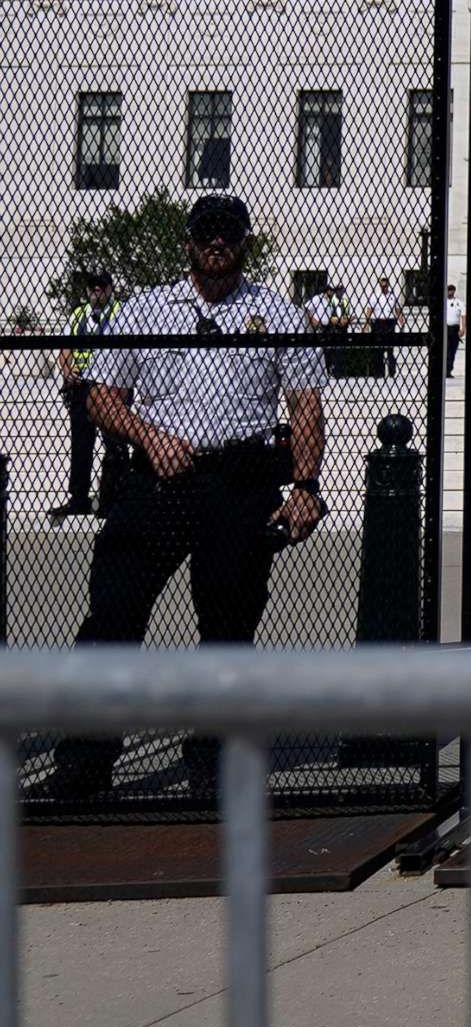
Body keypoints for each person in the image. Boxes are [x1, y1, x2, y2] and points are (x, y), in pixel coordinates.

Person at [45, 194, 328, 799]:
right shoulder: (146, 309)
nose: (217, 243)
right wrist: (149, 435)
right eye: (207, 233)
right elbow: (101, 396)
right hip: (157, 480)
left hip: (239, 479)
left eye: (229, 233)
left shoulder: (276, 313)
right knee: (113, 614)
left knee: (228, 623)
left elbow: (305, 405)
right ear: (188, 243)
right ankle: (85, 760)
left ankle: (215, 759)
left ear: (246, 242)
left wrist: (304, 486)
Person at [48, 273, 128, 523]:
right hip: (81, 385)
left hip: (109, 385)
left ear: (110, 289)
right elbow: (65, 348)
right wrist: (66, 369)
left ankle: (112, 498)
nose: (96, 290)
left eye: (101, 287)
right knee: (81, 443)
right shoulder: (78, 314)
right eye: (92, 287)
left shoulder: (121, 313)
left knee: (114, 442)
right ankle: (79, 497)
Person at [363, 274, 402, 378]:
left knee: (390, 349)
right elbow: (369, 311)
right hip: (378, 323)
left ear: (388, 284)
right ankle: (379, 373)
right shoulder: (375, 296)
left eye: (386, 283)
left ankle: (392, 372)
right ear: (379, 284)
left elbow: (397, 310)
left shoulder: (393, 296)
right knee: (378, 349)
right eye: (382, 283)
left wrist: (401, 319)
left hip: (390, 322)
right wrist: (366, 324)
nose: (384, 286)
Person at [442, 283, 464, 377]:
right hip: (446, 328)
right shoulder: (443, 302)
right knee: (446, 350)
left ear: (454, 291)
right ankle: (445, 370)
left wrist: (463, 328)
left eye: (452, 290)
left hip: (455, 329)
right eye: (449, 290)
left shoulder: (459, 302)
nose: (450, 292)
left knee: (453, 350)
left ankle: (449, 370)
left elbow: (463, 316)